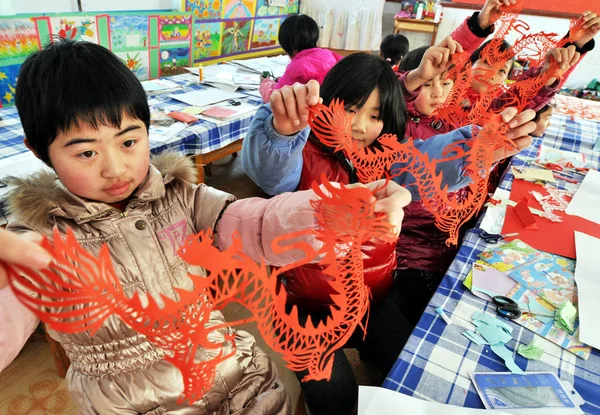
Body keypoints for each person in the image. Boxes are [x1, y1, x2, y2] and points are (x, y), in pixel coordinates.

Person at [0, 39, 411, 414]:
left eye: (128, 142)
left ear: (147, 130)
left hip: (240, 379)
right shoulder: (38, 241)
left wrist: (332, 212)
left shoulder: (180, 196)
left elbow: (257, 223)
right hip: (137, 403)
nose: (116, 168)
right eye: (86, 152)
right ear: (40, 151)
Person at [242, 52, 536, 414]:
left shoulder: (386, 157)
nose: (360, 125)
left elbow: (429, 159)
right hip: (305, 311)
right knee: (337, 400)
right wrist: (281, 132)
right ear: (327, 103)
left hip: (372, 300)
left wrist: (478, 148)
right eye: (350, 109)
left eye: (376, 115)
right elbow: (271, 173)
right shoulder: (300, 152)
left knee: (413, 369)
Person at [259, 14, 342, 102]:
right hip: (332, 110)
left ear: (286, 45)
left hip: (307, 114)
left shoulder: (296, 68)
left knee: (264, 111)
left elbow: (272, 98)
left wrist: (265, 83)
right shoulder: (329, 55)